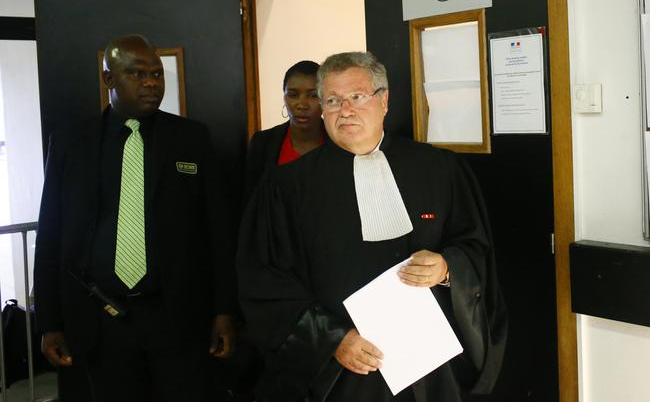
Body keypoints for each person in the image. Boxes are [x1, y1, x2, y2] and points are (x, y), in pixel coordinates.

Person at [237, 52, 507, 402]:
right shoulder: (285, 188)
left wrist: (446, 267)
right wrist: (332, 339)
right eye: (332, 100)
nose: (345, 110)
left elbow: (475, 247)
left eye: (357, 97)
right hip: (341, 373)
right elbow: (264, 281)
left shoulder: (439, 170)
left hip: (431, 369)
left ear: (384, 100)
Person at [34, 34, 237, 401]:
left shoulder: (191, 138)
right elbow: (50, 234)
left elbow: (217, 231)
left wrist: (224, 310)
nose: (150, 83)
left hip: (176, 315)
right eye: (137, 74)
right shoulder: (72, 143)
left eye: (157, 74)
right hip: (100, 317)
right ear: (109, 79)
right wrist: (49, 322)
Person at [244, 60, 324, 199]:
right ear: (284, 97)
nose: (302, 105)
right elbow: (250, 201)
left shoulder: (340, 143)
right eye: (293, 95)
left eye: (313, 95)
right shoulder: (262, 143)